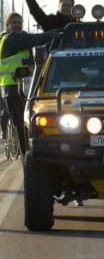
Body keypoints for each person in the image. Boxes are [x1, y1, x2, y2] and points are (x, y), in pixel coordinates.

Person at [0, 12, 56, 155]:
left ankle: (29, 153)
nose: (17, 25)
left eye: (19, 22)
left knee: (25, 123)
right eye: (14, 23)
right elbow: (36, 39)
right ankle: (26, 158)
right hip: (12, 88)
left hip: (21, 87)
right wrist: (56, 33)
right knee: (21, 125)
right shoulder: (11, 39)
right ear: (8, 26)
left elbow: (29, 60)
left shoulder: (19, 40)